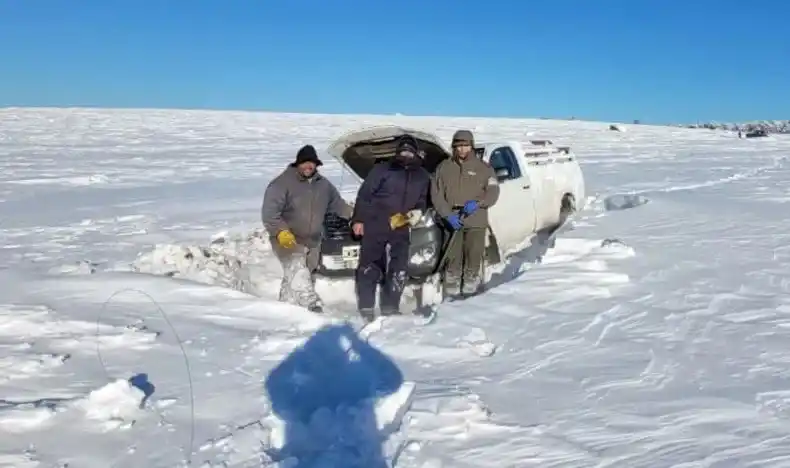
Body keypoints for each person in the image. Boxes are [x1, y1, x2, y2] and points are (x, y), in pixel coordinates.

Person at [261, 144, 353, 313]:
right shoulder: (281, 184)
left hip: (313, 241)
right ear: (298, 163)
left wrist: (356, 218)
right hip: (287, 239)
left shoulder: (323, 185)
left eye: (312, 163)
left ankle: (285, 307)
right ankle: (313, 307)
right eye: (305, 162)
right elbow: (269, 213)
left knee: (300, 276)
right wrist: (281, 231)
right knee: (298, 270)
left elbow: (339, 206)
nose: (308, 166)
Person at [351, 135, 431, 322]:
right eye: (402, 150)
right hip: (375, 223)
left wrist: (417, 212)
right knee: (369, 266)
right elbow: (364, 195)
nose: (405, 154)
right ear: (396, 152)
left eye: (409, 150)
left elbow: (422, 200)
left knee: (398, 268)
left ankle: (390, 306)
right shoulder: (382, 169)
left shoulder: (422, 176)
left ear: (415, 152)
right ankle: (366, 306)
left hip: (401, 226)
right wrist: (358, 220)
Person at [431, 129, 500, 298]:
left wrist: (478, 203)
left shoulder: (484, 168)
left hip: (475, 219)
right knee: (452, 258)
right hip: (452, 219)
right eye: (459, 146)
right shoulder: (444, 168)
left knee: (473, 257)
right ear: (454, 147)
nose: (462, 149)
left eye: (466, 145)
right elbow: (436, 194)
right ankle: (451, 294)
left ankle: (471, 293)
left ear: (472, 146)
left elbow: (493, 192)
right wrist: (447, 214)